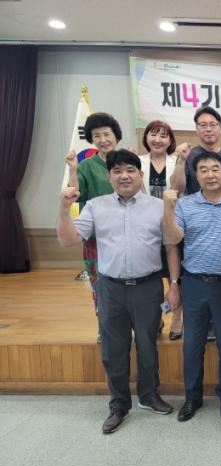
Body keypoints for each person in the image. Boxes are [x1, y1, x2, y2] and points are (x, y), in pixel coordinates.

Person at [57, 149, 173, 434]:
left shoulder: (158, 207)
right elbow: (68, 239)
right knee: (114, 349)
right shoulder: (95, 206)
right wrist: (63, 208)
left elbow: (172, 245)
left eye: (130, 170)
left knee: (147, 344)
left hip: (148, 286)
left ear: (140, 175)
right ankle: (119, 404)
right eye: (117, 171)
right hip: (111, 288)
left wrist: (174, 285)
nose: (124, 176)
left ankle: (149, 395)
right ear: (109, 176)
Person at [163, 150, 221, 423]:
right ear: (196, 175)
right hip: (194, 283)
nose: (210, 175)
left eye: (215, 169)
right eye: (203, 170)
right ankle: (192, 397)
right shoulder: (185, 205)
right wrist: (168, 210)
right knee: (193, 344)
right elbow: (173, 238)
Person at [64, 112, 122, 340]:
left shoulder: (127, 160)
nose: (103, 139)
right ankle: (104, 329)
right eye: (97, 135)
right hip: (97, 240)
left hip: (127, 235)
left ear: (116, 135)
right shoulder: (86, 165)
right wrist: (72, 169)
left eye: (107, 134)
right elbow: (75, 193)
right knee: (101, 287)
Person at [139, 119, 183, 340]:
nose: (158, 139)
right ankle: (157, 317)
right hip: (146, 225)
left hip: (173, 222)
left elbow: (182, 188)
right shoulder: (137, 161)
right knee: (151, 277)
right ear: (146, 137)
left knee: (175, 276)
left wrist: (182, 162)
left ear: (170, 141)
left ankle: (177, 316)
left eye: (163, 135)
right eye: (153, 134)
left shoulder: (177, 161)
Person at [170, 105, 221, 199]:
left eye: (213, 124)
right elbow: (176, 189)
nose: (208, 129)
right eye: (203, 125)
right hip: (195, 208)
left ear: (220, 129)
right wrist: (181, 160)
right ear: (197, 129)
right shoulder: (187, 155)